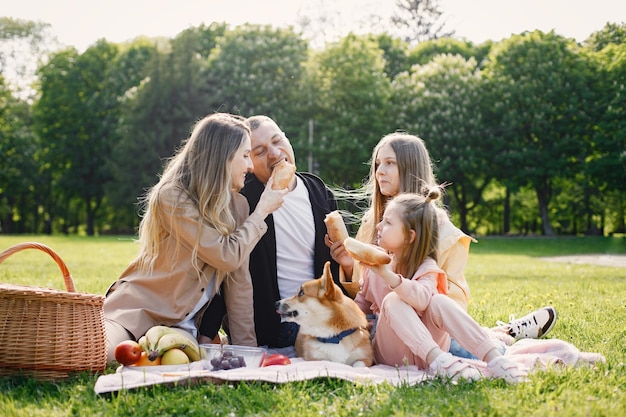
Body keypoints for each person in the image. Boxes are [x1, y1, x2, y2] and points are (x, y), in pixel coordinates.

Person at [327, 132, 556, 358]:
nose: (379, 172)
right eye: (377, 164)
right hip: (386, 327)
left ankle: (506, 338)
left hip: (431, 328)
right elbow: (367, 292)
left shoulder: (442, 233)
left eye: (390, 163)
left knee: (460, 349)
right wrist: (348, 266)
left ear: (411, 169)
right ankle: (501, 332)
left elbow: (450, 307)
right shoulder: (372, 223)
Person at [103, 113, 287, 363]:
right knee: (104, 355)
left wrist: (249, 353)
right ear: (222, 156)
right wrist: (263, 210)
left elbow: (239, 284)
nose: (251, 166)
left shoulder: (239, 207)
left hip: (181, 329)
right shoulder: (173, 198)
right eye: (245, 155)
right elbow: (226, 256)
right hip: (137, 311)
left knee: (176, 364)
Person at [199, 115, 348, 348]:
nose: (275, 153)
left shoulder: (318, 190)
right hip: (278, 321)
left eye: (277, 141)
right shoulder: (243, 202)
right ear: (248, 161)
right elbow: (226, 269)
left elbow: (336, 268)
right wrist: (207, 334)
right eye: (259, 152)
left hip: (324, 311)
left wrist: (347, 267)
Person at [354, 189, 528, 382]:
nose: (378, 226)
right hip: (393, 355)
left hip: (430, 351)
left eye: (387, 222)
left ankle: (496, 359)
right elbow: (358, 308)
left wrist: (388, 276)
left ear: (410, 236)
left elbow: (421, 300)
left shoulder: (427, 268)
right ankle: (441, 362)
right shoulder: (374, 269)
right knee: (393, 301)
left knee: (438, 301)